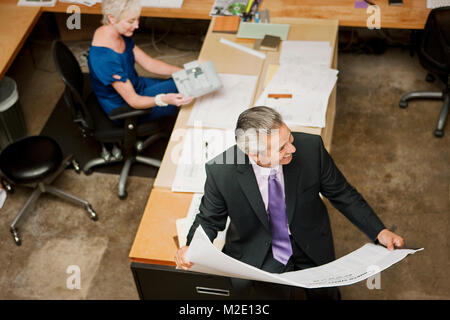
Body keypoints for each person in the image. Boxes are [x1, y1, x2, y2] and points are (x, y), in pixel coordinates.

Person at [175, 106, 405, 300]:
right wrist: (191, 248)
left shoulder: (311, 149)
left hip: (310, 238)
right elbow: (208, 219)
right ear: (255, 156)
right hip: (258, 249)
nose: (292, 149)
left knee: (326, 295)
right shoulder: (221, 171)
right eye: (281, 148)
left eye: (290, 139)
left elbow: (343, 193)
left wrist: (379, 231)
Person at [88, 0, 193, 122]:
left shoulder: (117, 31)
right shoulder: (104, 59)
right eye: (131, 21)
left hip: (136, 85)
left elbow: (149, 63)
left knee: (183, 81)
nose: (137, 25)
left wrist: (184, 71)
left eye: (137, 19)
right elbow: (134, 101)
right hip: (124, 107)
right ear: (112, 18)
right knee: (184, 90)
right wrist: (163, 99)